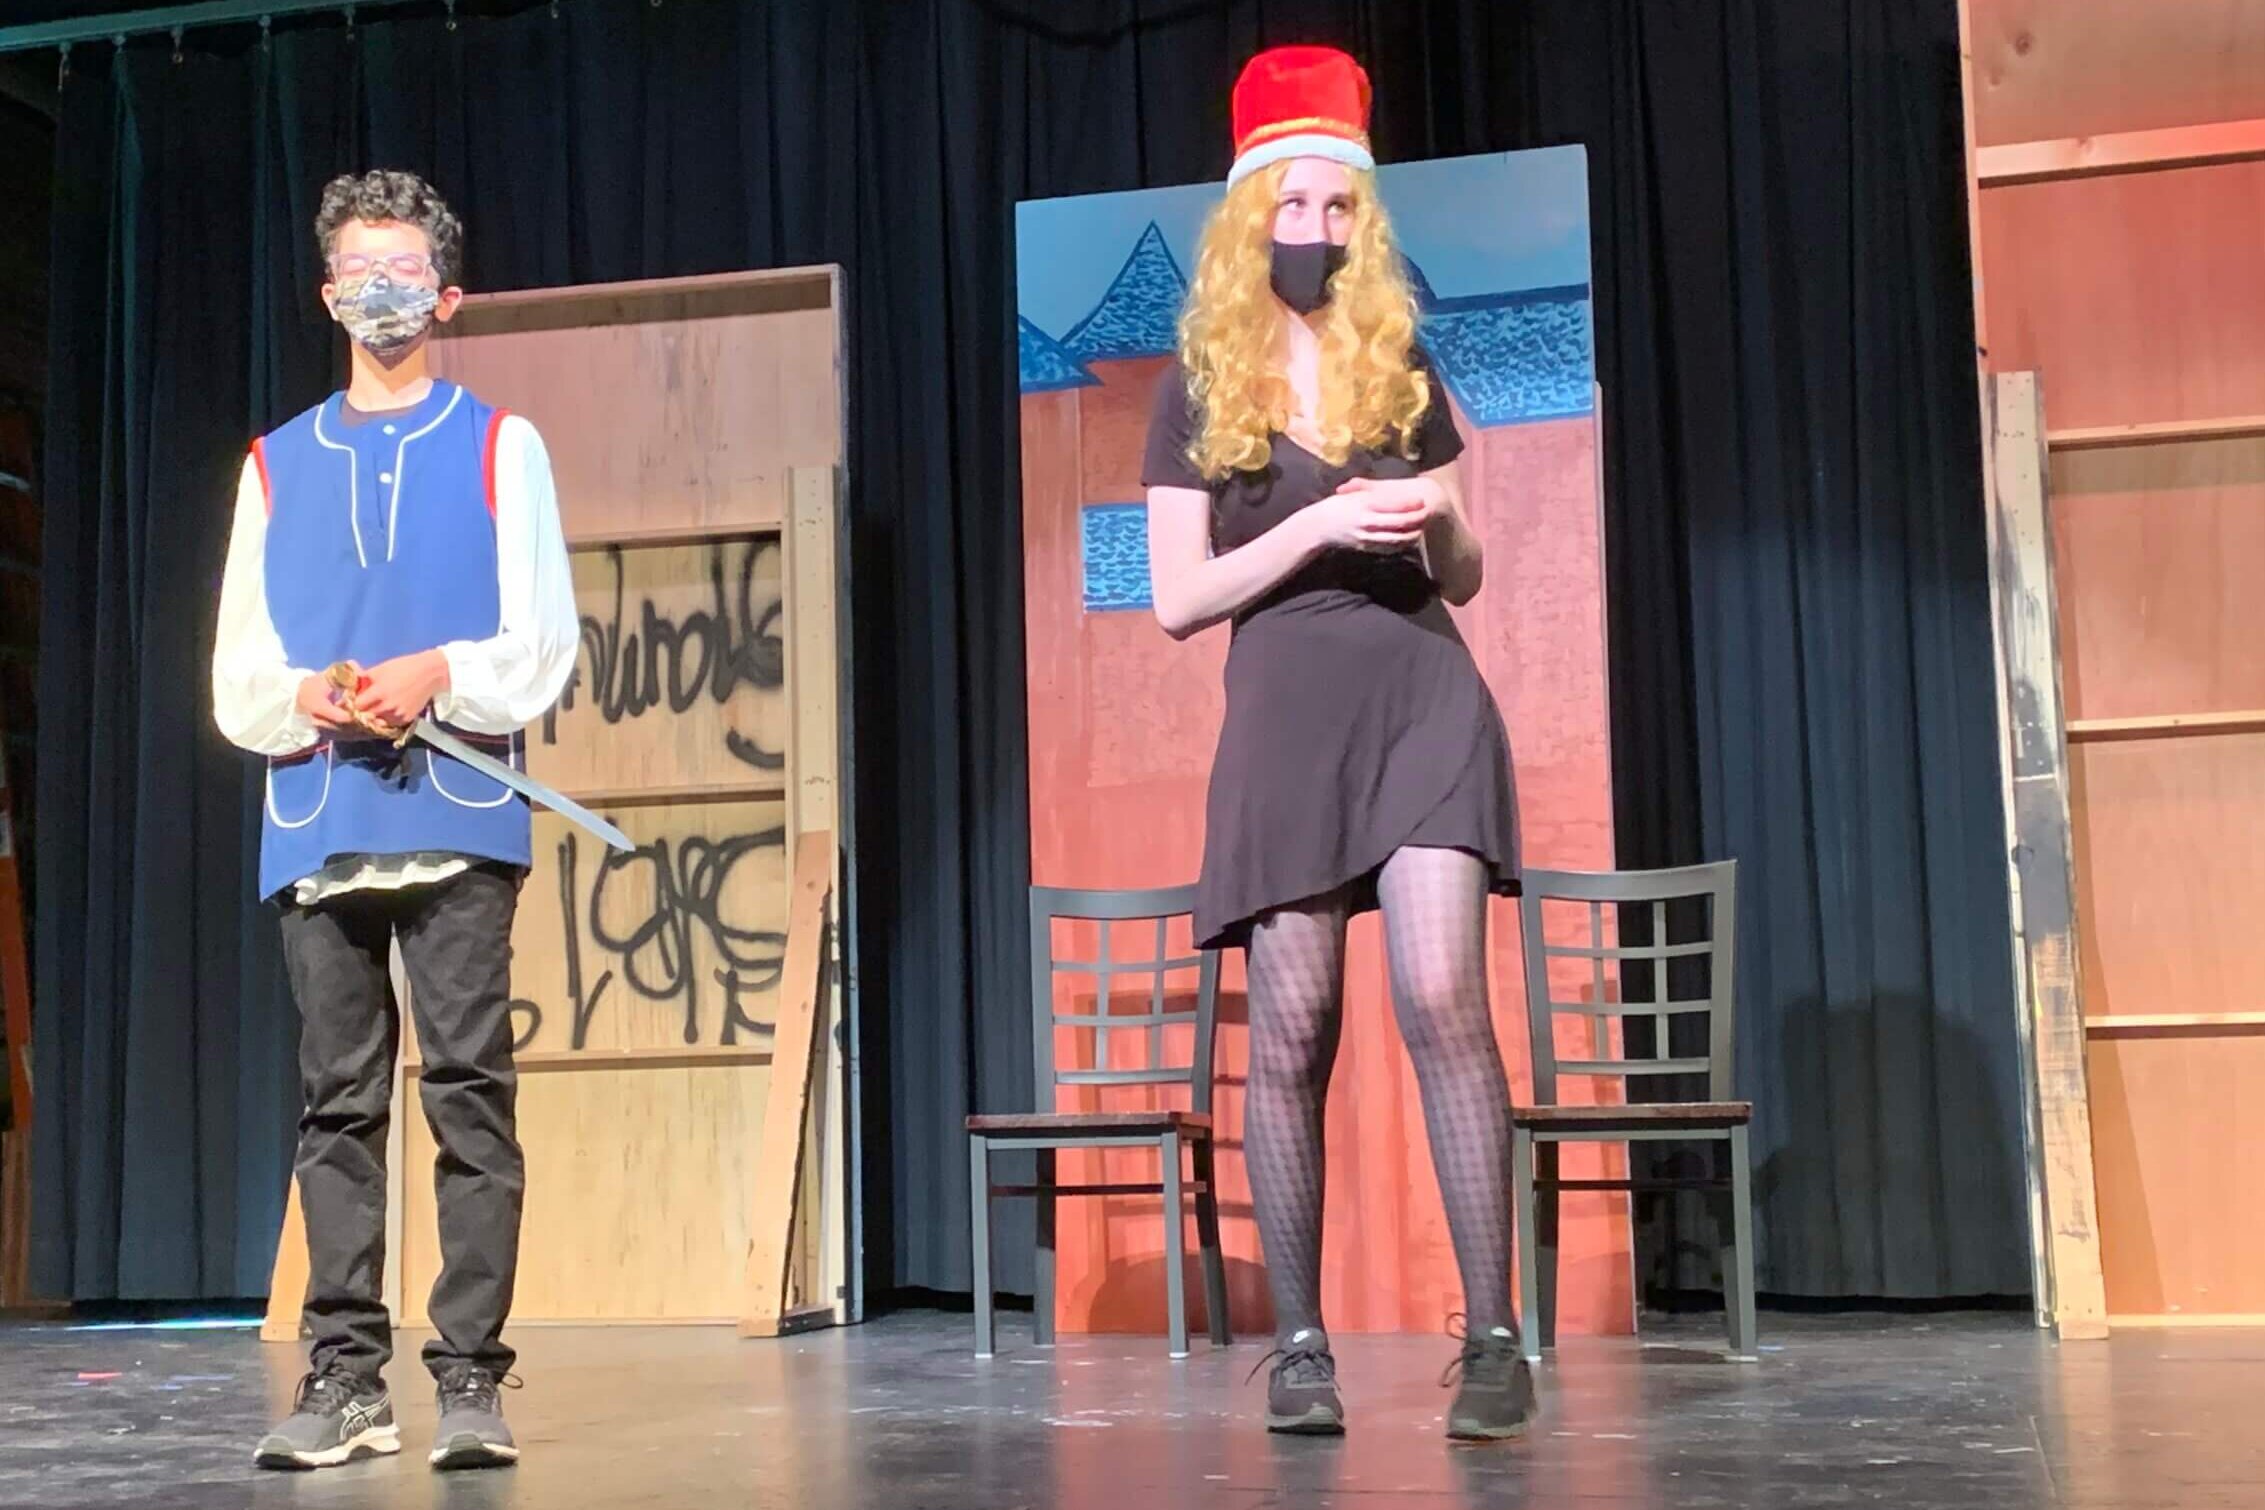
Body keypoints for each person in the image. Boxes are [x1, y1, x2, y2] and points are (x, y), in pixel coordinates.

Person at [1141, 46, 1536, 1442]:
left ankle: (1495, 1338)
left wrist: (1439, 518)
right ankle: (1302, 1344)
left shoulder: (1397, 362)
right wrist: (1313, 522)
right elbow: (1178, 597)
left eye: (1336, 207)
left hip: (1421, 695)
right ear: (1251, 218)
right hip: (1288, 715)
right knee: (1296, 1024)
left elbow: (1466, 575)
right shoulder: (1198, 386)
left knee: (1441, 996)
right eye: (1292, 205)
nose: (1313, 228)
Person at [212, 169, 579, 1472]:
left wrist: (440, 672)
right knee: (338, 1104)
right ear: (328, 296)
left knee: (470, 1093)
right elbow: (239, 670)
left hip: (458, 807)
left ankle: (470, 1372)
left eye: (404, 272)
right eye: (360, 273)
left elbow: (541, 643)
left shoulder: (500, 445)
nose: (382, 293)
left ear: (446, 295)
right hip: (321, 810)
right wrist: (306, 694)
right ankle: (345, 1378)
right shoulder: (275, 463)